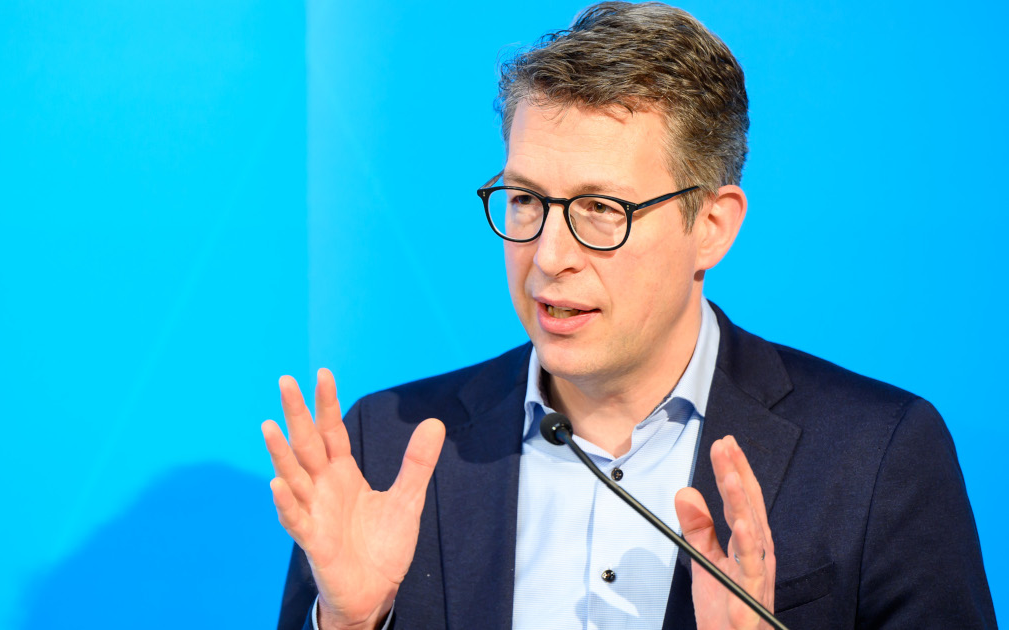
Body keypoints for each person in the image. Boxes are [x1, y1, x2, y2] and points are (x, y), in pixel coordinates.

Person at [262, 3, 997, 629]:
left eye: (599, 210)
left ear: (711, 224)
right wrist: (353, 623)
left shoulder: (876, 460)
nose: (549, 255)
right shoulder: (385, 449)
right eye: (525, 200)